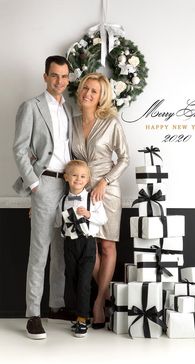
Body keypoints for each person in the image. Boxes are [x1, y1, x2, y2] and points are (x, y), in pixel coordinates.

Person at [13, 55, 73, 339]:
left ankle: (57, 305)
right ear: (45, 76)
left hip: (68, 186)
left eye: (64, 76)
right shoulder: (31, 107)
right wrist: (35, 185)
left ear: (68, 78)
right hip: (45, 184)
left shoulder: (67, 108)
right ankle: (33, 314)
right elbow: (19, 148)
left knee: (61, 250)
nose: (59, 81)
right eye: (54, 75)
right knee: (39, 252)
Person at [72, 72, 129, 328]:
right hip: (81, 193)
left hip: (107, 192)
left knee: (107, 246)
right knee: (88, 249)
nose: (87, 93)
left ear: (101, 97)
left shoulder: (111, 122)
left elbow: (124, 158)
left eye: (93, 91)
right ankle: (107, 295)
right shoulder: (71, 122)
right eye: (85, 88)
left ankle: (97, 303)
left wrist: (105, 181)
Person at [55, 160, 107, 337]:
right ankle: (77, 315)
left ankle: (83, 320)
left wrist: (89, 214)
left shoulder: (92, 198)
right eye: (74, 175)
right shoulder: (62, 200)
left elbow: (103, 219)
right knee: (72, 279)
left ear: (88, 179)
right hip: (69, 244)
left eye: (83, 176)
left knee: (85, 281)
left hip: (87, 244)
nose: (78, 179)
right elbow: (57, 221)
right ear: (66, 178)